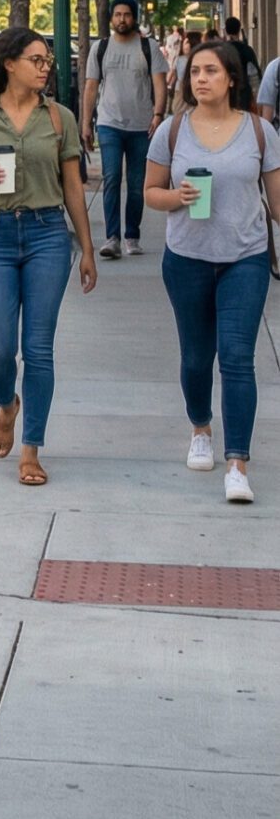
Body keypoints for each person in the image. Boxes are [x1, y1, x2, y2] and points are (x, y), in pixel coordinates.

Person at [0, 27, 97, 489]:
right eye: (36, 59)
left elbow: (73, 186)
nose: (45, 66)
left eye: (47, 60)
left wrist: (87, 248)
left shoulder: (59, 118)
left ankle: (31, 449)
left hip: (47, 236)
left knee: (38, 349)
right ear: (9, 64)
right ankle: (6, 404)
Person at [145, 37, 280, 505]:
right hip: (187, 259)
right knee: (197, 357)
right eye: (195, 72)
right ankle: (200, 427)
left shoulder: (260, 133)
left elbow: (278, 204)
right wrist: (175, 197)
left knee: (238, 355)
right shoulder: (173, 131)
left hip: (246, 257)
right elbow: (151, 192)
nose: (200, 79)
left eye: (211, 72)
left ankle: (237, 463)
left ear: (231, 80)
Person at [81, 0, 167, 258]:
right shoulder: (101, 48)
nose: (122, 19)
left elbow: (159, 84)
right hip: (109, 123)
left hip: (142, 125)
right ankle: (112, 238)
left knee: (137, 181)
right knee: (112, 178)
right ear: (111, 18)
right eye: (117, 14)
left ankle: (132, 236)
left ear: (134, 17)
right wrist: (86, 123)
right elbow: (91, 87)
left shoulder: (147, 46)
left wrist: (158, 114)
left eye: (127, 14)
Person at [224, 18, 261, 96]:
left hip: (224, 91)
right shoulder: (247, 50)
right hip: (243, 92)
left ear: (225, 31)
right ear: (239, 31)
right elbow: (254, 75)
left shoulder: (220, 50)